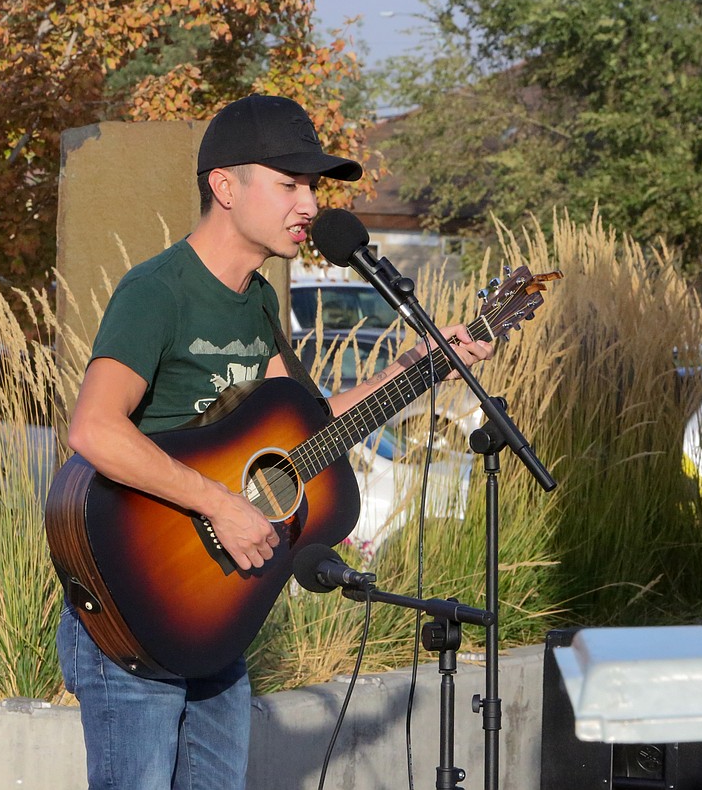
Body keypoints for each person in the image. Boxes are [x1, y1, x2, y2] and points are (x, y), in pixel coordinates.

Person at [55, 94, 493, 790]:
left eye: (313, 186)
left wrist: (423, 366)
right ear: (225, 187)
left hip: (217, 610)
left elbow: (308, 430)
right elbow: (94, 429)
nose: (310, 203)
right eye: (290, 183)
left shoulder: (257, 300)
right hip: (131, 609)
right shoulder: (156, 292)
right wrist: (221, 506)